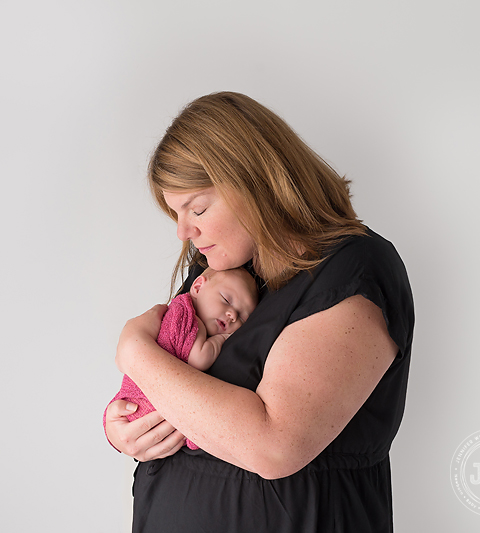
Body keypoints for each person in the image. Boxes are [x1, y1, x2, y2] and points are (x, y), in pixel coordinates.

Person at [104, 92, 414, 533]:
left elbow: (273, 446)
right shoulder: (226, 270)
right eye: (176, 213)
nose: (183, 231)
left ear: (255, 181)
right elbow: (175, 380)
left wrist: (133, 350)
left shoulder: (354, 270)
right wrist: (124, 433)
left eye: (198, 208)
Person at [105, 267, 259, 450]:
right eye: (226, 300)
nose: (232, 315)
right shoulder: (189, 318)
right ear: (197, 287)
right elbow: (198, 359)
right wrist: (220, 339)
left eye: (242, 317)